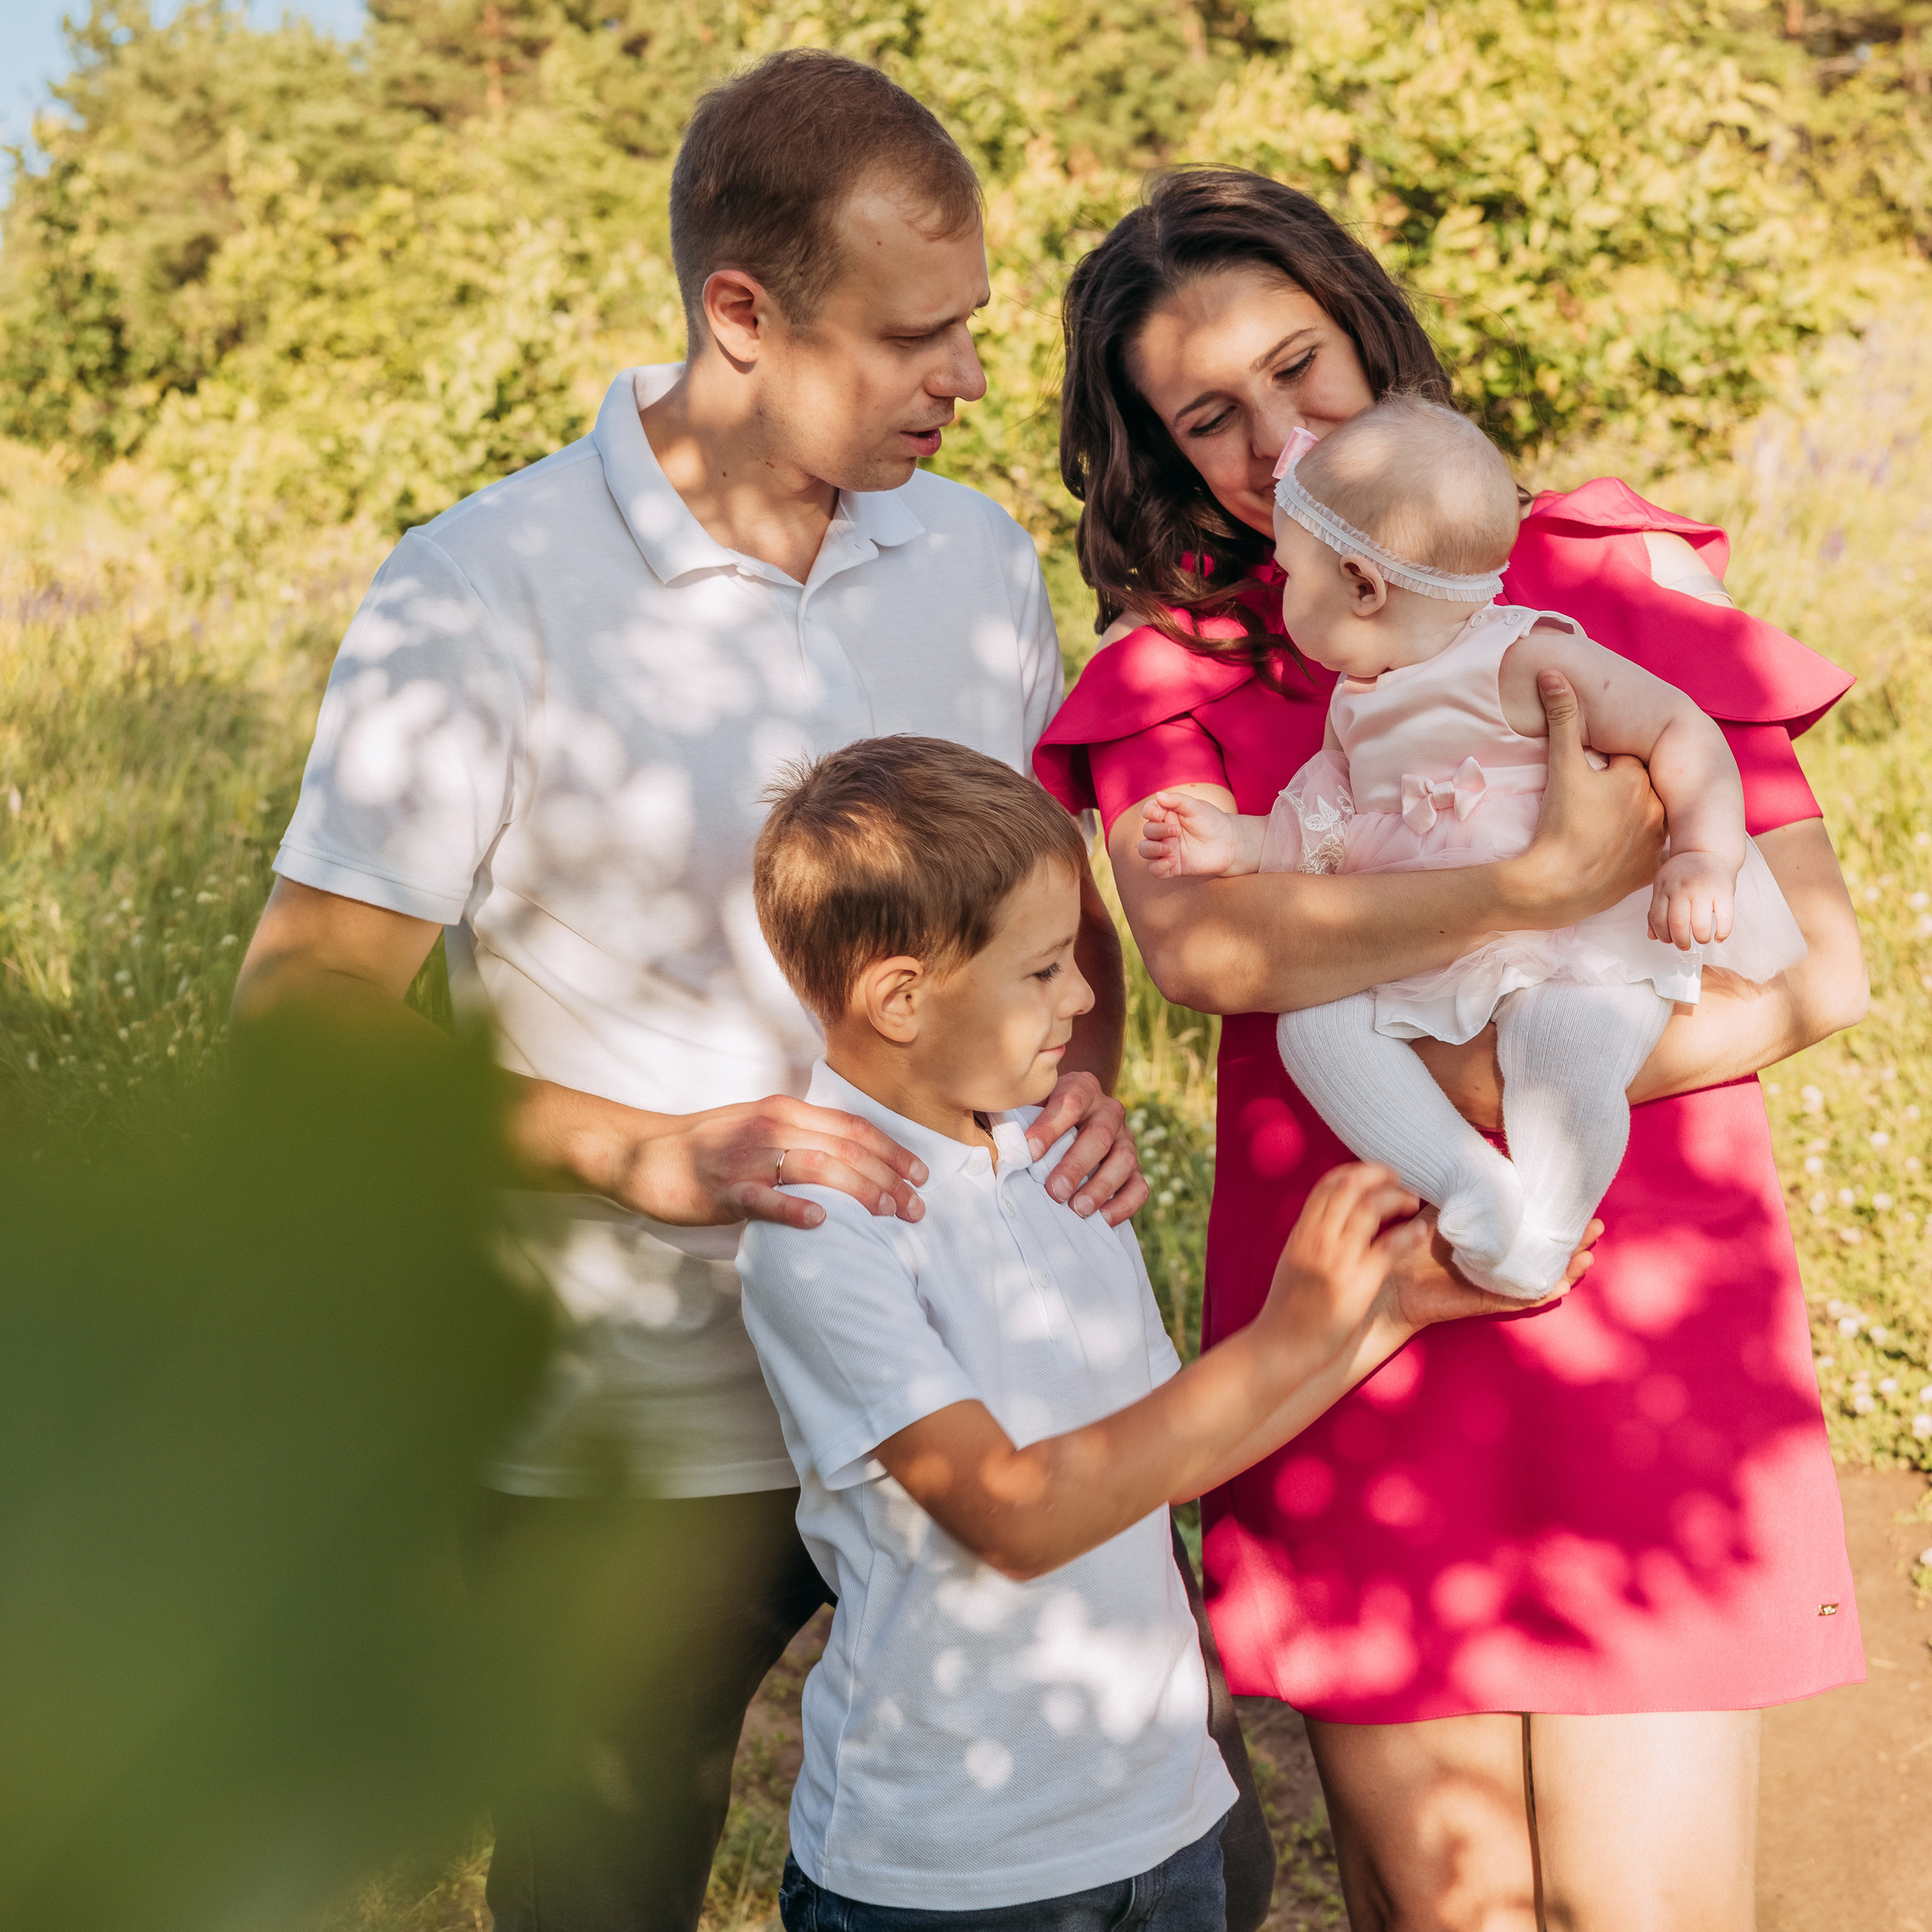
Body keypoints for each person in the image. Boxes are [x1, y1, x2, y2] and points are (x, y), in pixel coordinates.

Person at [232, 51, 1164, 1932]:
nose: (966, 382)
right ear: (738, 313)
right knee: (602, 1878)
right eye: (912, 339)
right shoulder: (474, 590)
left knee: (1017, 1866)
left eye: (968, 329)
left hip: (966, 1371)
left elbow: (1043, 889)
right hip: (633, 1428)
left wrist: (1087, 1061)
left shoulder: (973, 556)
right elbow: (302, 1024)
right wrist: (658, 1154)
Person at [1035, 168, 1869, 1931]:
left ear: (1368, 332)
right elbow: (1201, 947)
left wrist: (1502, 1076)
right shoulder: (1166, 674)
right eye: (1209, 416)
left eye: (1300, 363)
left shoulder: (1602, 584)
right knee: (1445, 1916)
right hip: (1366, 1323)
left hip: (1636, 1317)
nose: (1276, 435)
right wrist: (1537, 881)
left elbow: (1817, 971)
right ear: (1158, 455)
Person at [737, 736, 1577, 1932]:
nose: (1083, 1002)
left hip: (1161, 1824)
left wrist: (1388, 1310)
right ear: (902, 998)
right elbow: (1017, 1514)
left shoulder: (1056, 1163)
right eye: (1040, 974)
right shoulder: (827, 1233)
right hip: (954, 1876)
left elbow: (1162, 1457)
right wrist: (1290, 1332)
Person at [1140, 396, 1805, 1297]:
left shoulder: (1521, 660)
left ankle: (1549, 1228)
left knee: (1561, 1044)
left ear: (1363, 586)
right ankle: (1471, 1186)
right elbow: (1331, 818)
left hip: (1579, 947)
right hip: (1442, 941)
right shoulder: (1359, 699)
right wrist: (1240, 839)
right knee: (1315, 1027)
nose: (1278, 592)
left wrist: (1701, 854)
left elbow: (1679, 729)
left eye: (1289, 576)